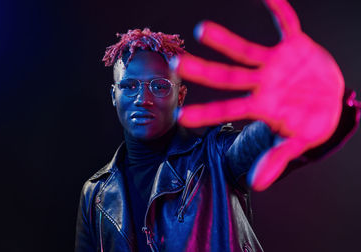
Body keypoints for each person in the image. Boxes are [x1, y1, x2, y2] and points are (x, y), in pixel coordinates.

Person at [75, 0, 360, 251]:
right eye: (129, 86)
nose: (143, 98)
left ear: (181, 95)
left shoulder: (215, 157)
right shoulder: (96, 193)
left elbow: (258, 142)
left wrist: (324, 109)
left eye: (160, 86)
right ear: (114, 95)